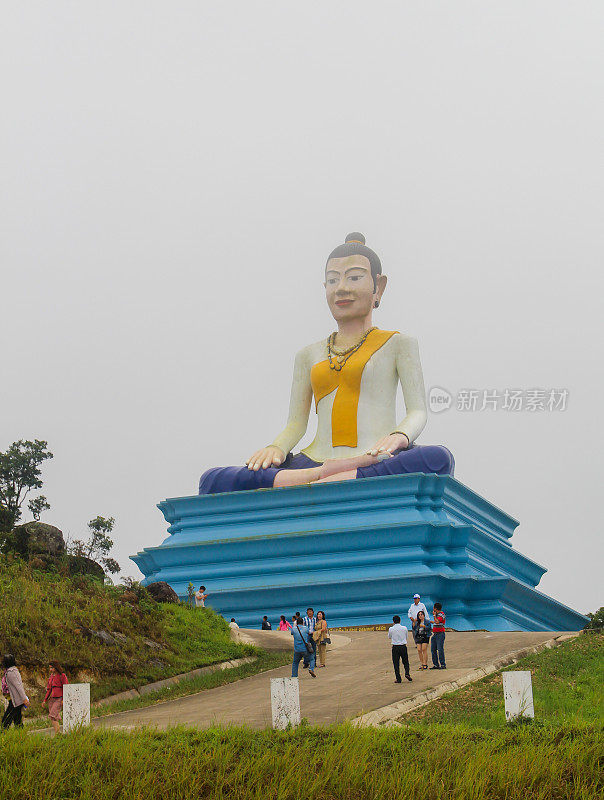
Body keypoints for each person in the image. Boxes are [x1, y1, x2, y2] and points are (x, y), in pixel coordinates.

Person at [199, 232, 454, 496]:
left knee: (437, 459)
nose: (341, 288)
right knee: (213, 480)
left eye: (354, 277)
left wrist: (400, 437)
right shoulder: (308, 355)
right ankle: (327, 475)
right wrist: (276, 448)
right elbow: (296, 424)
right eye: (333, 280)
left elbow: (418, 412)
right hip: (314, 460)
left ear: (379, 287)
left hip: (377, 454)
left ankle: (321, 479)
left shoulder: (398, 344)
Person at [1, 654, 29, 729]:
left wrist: (24, 698)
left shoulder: (11, 672)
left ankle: (3, 734)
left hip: (16, 701)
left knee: (6, 719)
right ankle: (21, 735)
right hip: (16, 700)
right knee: (17, 720)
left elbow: (18, 686)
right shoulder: (11, 671)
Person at [42, 661, 68, 734]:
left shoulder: (62, 676)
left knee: (53, 715)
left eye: (52, 668)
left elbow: (65, 687)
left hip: (59, 698)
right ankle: (58, 733)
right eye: (50, 668)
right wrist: (45, 700)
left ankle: (58, 733)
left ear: (56, 667)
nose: (50, 670)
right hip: (52, 699)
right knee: (53, 717)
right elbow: (49, 689)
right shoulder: (51, 677)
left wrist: (63, 699)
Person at [388, 616, 412, 683]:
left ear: (393, 621)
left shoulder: (391, 629)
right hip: (403, 646)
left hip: (395, 647)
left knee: (396, 663)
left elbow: (389, 637)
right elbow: (406, 636)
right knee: (405, 661)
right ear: (400, 621)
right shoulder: (404, 628)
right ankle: (407, 673)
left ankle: (398, 678)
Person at [430, 602, 447, 670]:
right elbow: (435, 622)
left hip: (440, 634)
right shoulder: (437, 615)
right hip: (435, 633)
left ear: (435, 608)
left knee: (440, 649)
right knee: (433, 649)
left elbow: (437, 621)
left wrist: (434, 616)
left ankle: (443, 664)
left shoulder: (441, 615)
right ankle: (436, 664)